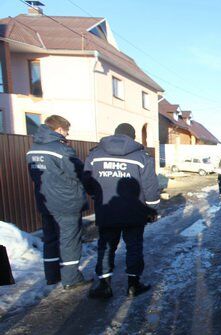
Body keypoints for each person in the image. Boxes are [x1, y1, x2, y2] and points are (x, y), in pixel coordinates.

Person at [84, 123, 160, 298]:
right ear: (133, 137)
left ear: (115, 134)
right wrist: (152, 209)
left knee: (106, 246)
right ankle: (133, 285)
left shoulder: (96, 154)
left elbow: (87, 180)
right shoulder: (142, 156)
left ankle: (104, 285)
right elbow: (150, 186)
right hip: (135, 212)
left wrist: (96, 196)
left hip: (107, 210)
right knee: (134, 247)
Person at [25, 115, 88, 289]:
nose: (67, 135)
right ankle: (71, 279)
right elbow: (78, 172)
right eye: (66, 131)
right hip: (66, 203)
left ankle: (52, 275)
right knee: (70, 240)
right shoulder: (61, 150)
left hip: (45, 202)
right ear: (60, 129)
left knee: (51, 239)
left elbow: (35, 176)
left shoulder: (33, 149)